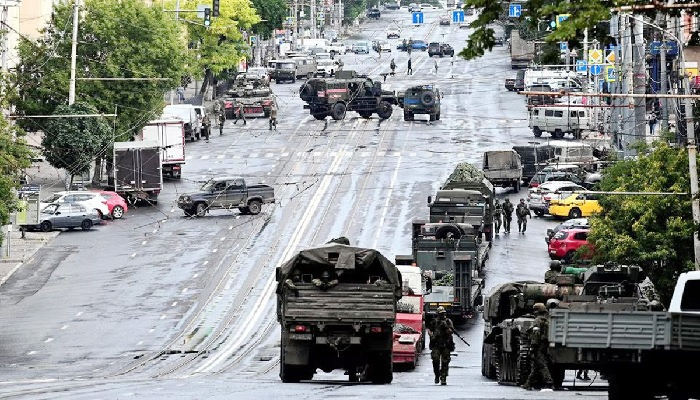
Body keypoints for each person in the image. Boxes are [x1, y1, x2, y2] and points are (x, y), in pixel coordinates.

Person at [523, 303, 554, 391]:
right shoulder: (547, 319)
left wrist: (533, 347)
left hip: (539, 345)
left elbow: (535, 335)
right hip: (545, 344)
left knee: (541, 363)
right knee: (536, 365)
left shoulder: (537, 320)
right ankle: (528, 383)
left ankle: (548, 382)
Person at [428, 306, 455, 385]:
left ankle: (443, 378)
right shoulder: (434, 322)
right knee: (435, 360)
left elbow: (451, 331)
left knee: (445, 361)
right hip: (436, 344)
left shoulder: (448, 321)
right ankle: (437, 375)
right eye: (440, 314)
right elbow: (429, 330)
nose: (442, 315)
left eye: (443, 313)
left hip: (446, 344)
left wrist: (446, 326)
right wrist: (432, 336)